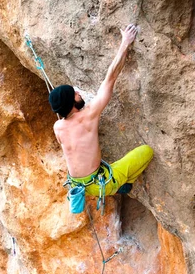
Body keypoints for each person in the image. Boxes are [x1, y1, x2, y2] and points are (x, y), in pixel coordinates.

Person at [49, 24, 153, 197]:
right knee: (146, 151)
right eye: (75, 94)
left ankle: (121, 182)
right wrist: (125, 42)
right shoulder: (89, 115)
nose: (78, 93)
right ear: (72, 103)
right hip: (102, 184)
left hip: (80, 187)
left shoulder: (57, 127)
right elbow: (110, 78)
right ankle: (123, 183)